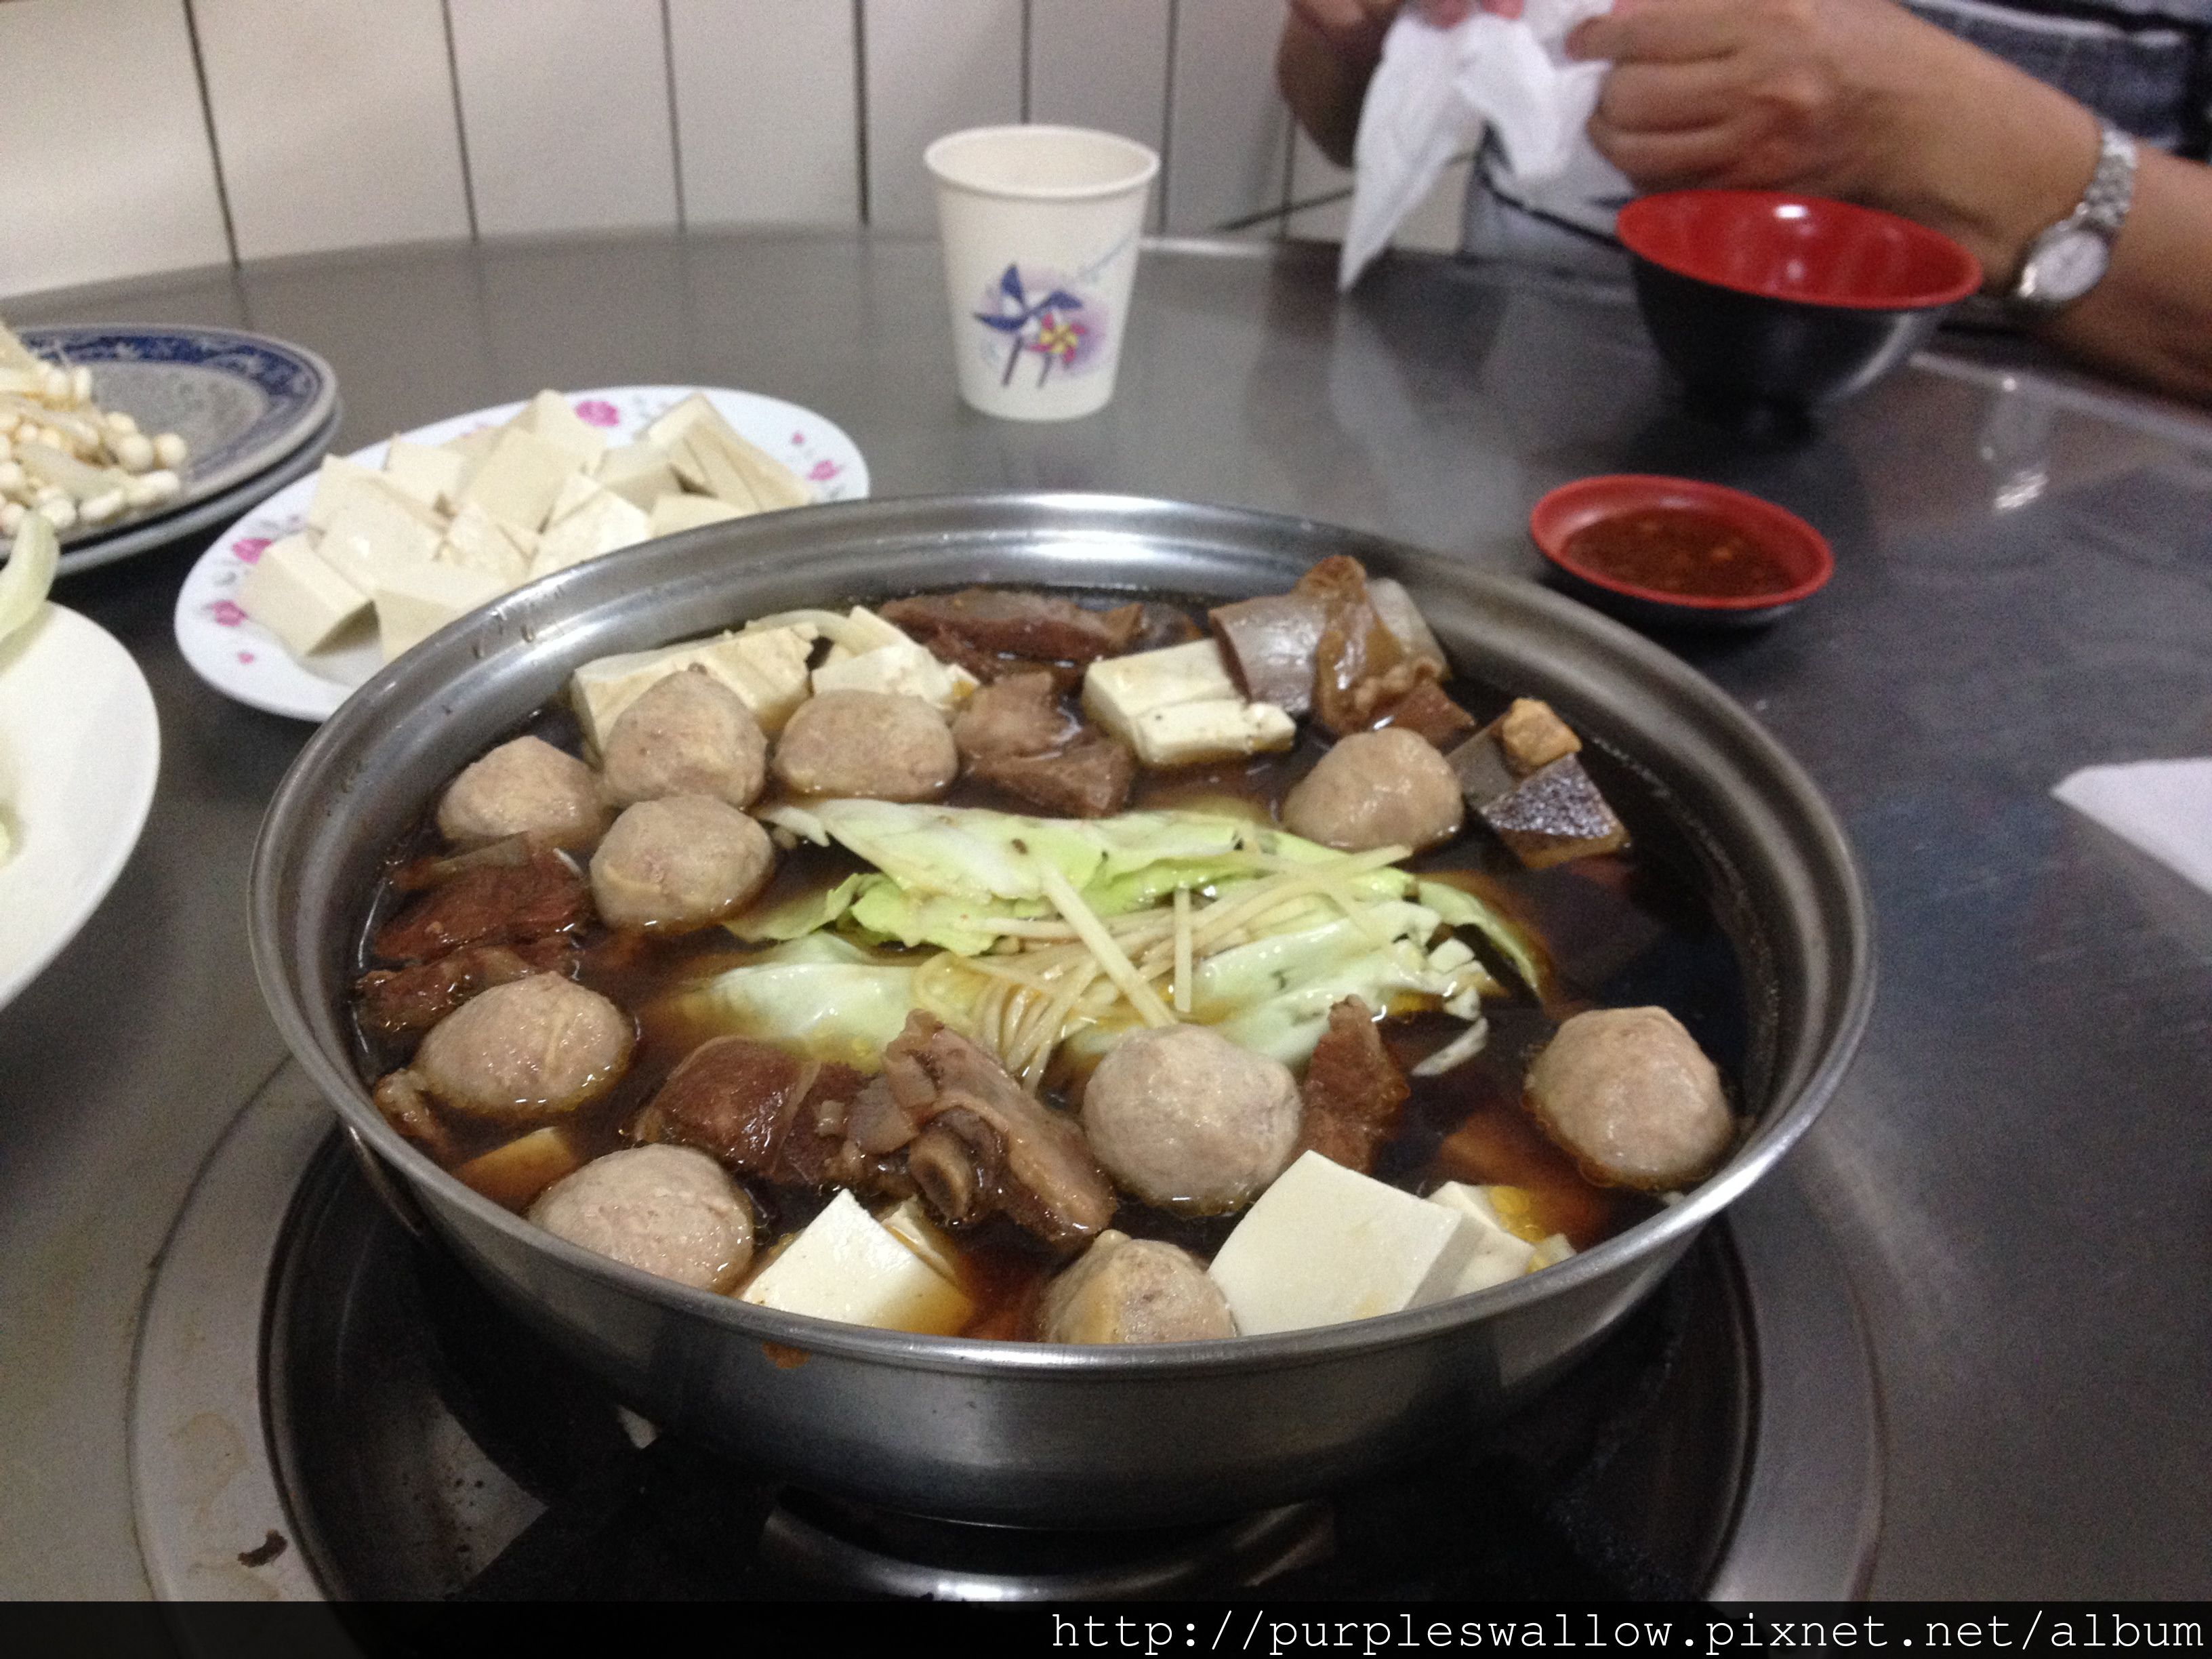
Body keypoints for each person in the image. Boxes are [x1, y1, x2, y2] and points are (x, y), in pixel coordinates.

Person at [1278, 0, 2212, 400]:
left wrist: (1954, 142)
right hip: (1497, 455)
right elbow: (1333, 116)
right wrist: (1374, 40)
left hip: (2018, 586)